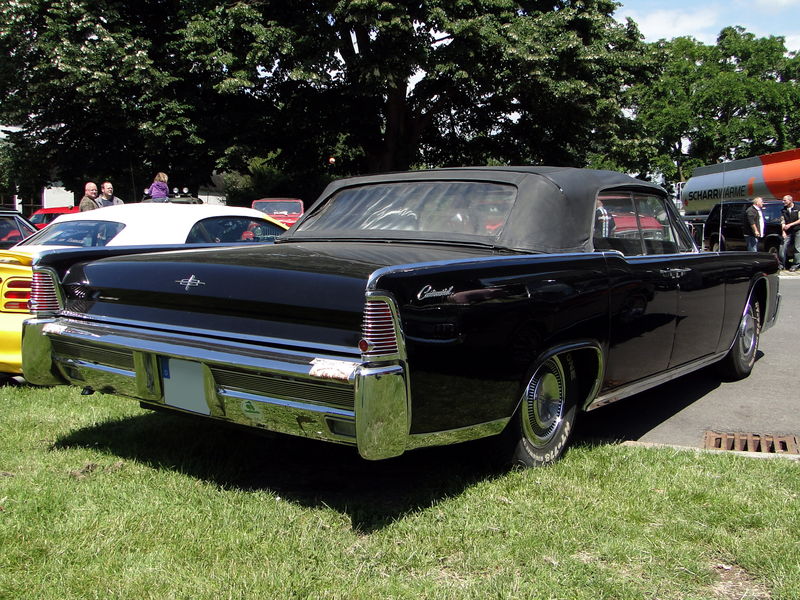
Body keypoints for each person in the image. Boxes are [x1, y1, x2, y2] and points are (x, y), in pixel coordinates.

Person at [780, 194, 800, 270]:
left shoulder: (798, 208)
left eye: (785, 200)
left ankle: (796, 264)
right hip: (788, 231)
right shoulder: (783, 210)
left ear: (790, 200)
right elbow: (782, 221)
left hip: (797, 230)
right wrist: (783, 232)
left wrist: (790, 225)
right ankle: (782, 264)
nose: (783, 202)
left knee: (797, 248)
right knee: (783, 247)